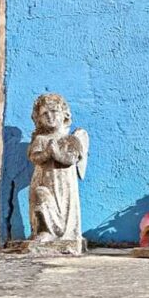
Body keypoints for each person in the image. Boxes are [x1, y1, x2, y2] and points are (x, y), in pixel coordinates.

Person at [27, 93, 89, 242]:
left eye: (54, 111)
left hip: (64, 183)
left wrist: (56, 154)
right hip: (43, 180)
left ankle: (65, 233)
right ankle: (45, 230)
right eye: (44, 114)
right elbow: (34, 157)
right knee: (41, 197)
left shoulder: (71, 139)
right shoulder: (41, 139)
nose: (50, 116)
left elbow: (71, 159)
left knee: (63, 206)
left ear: (64, 114)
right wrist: (47, 153)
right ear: (39, 119)